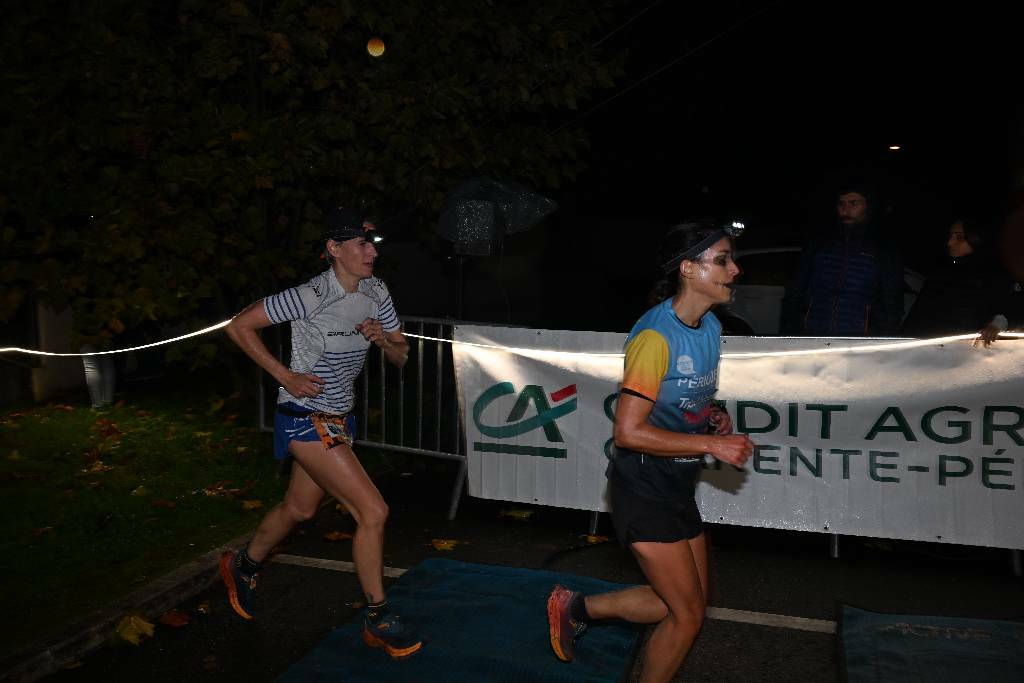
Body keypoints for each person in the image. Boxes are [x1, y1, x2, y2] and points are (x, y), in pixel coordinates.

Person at [547, 220, 754, 683]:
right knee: (687, 615)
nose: (735, 270)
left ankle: (578, 608)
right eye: (722, 260)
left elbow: (684, 398)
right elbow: (628, 431)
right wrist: (711, 443)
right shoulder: (655, 338)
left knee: (683, 603)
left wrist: (713, 414)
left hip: (676, 486)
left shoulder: (709, 325)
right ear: (688, 269)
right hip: (642, 489)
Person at [219, 205, 423, 659]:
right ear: (334, 249)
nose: (372, 252)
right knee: (372, 510)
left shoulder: (376, 291)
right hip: (304, 416)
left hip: (338, 417)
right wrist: (284, 375)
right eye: (362, 244)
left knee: (300, 508)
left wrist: (384, 339)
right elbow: (239, 327)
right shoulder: (312, 294)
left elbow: (402, 356)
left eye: (373, 244)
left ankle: (243, 564)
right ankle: (378, 617)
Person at [780, 185, 904, 336]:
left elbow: (892, 304)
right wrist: (789, 333)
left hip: (858, 340)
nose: (845, 210)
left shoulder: (882, 249)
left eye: (853, 203)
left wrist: (881, 340)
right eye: (841, 204)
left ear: (869, 207)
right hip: (813, 335)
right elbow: (795, 290)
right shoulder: (819, 243)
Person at [902, 218, 1004, 337]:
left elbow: (1008, 309)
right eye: (950, 236)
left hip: (964, 347)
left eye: (959, 238)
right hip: (925, 346)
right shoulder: (942, 271)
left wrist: (998, 324)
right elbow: (916, 320)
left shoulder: (993, 277)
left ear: (976, 239)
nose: (950, 242)